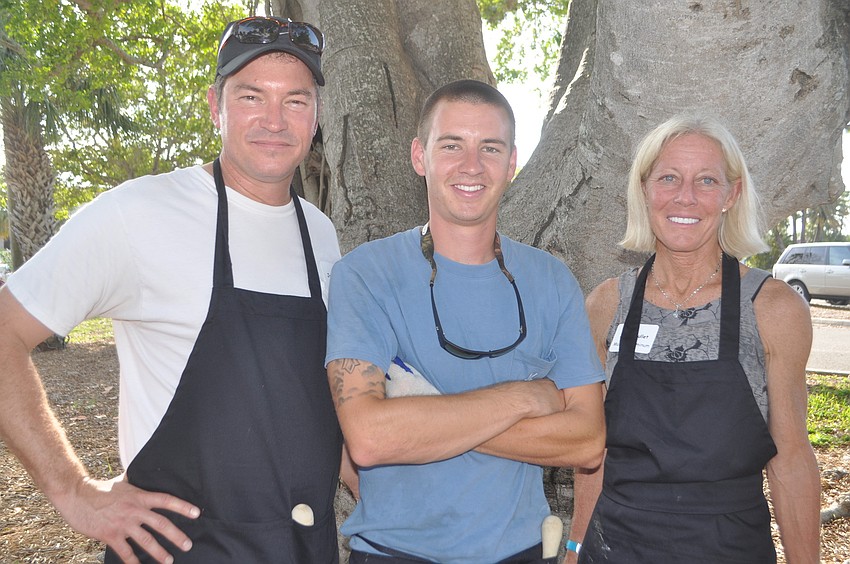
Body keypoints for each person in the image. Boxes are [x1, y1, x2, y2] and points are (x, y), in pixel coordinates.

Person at [0, 16, 343, 563]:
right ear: (216, 106)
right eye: (252, 96)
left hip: (304, 547)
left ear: (315, 115)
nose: (274, 120)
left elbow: (308, 394)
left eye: (295, 101)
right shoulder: (138, 214)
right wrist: (73, 490)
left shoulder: (319, 232)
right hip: (181, 550)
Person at [325, 79, 606, 564]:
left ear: (512, 162)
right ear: (420, 156)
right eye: (451, 145)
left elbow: (587, 441)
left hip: (521, 552)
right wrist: (526, 397)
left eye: (490, 148)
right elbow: (370, 439)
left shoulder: (551, 280)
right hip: (395, 553)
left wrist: (422, 418)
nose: (471, 166)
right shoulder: (364, 276)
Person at [567, 115, 821, 563]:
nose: (686, 196)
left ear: (731, 194)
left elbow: (791, 459)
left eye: (706, 180)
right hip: (616, 548)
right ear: (644, 190)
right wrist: (574, 549)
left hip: (729, 547)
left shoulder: (773, 308)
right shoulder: (607, 304)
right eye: (669, 178)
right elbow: (592, 451)